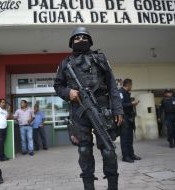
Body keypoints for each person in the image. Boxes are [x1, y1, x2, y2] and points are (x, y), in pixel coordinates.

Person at [54, 26, 123, 190]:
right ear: (72, 42)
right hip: (79, 111)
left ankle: (113, 186)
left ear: (90, 41)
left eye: (84, 37)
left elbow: (113, 86)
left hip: (102, 109)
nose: (80, 40)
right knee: (84, 150)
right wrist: (68, 92)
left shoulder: (100, 58)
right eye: (77, 38)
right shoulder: (65, 63)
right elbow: (57, 86)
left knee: (108, 149)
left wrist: (118, 110)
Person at [119, 79, 141, 163]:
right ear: (128, 85)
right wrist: (132, 104)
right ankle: (125, 156)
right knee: (125, 138)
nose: (131, 87)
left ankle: (131, 154)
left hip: (129, 119)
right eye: (131, 85)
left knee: (130, 138)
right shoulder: (120, 92)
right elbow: (121, 105)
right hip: (124, 118)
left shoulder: (127, 93)